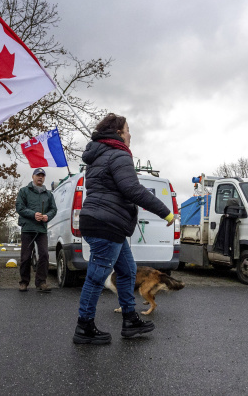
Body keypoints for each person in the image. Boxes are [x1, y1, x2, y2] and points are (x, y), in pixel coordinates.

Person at [72, 113, 174, 345]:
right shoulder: (118, 154)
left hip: (108, 224)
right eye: (128, 129)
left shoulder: (100, 156)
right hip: (105, 225)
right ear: (118, 133)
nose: (130, 134)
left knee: (127, 271)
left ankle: (130, 320)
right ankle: (84, 327)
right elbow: (133, 189)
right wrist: (165, 212)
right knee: (97, 277)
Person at [15, 168, 57, 292]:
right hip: (28, 228)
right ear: (33, 177)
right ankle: (24, 282)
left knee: (44, 254)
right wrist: (33, 214)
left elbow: (53, 209)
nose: (40, 177)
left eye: (42, 176)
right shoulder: (24, 191)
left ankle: (41, 282)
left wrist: (47, 216)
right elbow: (20, 207)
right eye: (38, 175)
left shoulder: (49, 194)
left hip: (42, 230)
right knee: (26, 257)